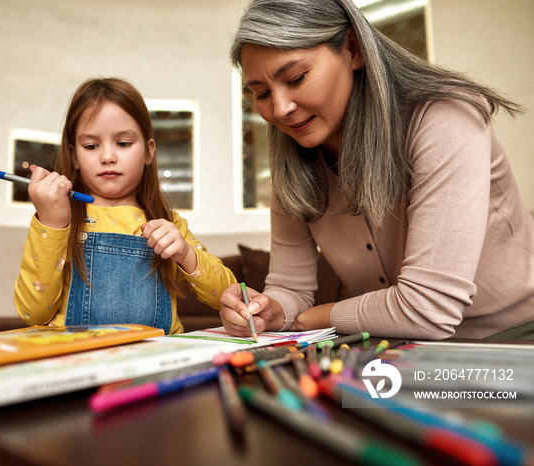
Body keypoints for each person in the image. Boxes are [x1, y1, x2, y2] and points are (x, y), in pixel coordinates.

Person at [220, 0, 534, 340]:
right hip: (402, 348)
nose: (280, 109)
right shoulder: (294, 161)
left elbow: (427, 309)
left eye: (296, 78)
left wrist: (312, 319)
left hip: (515, 340)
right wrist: (267, 311)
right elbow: (290, 288)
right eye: (262, 93)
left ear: (353, 49)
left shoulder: (446, 118)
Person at [14, 77, 236, 334]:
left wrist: (186, 254)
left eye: (123, 143)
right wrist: (52, 223)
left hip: (156, 360)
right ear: (74, 156)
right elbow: (32, 313)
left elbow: (226, 294)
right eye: (91, 146)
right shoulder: (59, 219)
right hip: (81, 362)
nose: (108, 157)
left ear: (148, 152)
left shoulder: (168, 222)